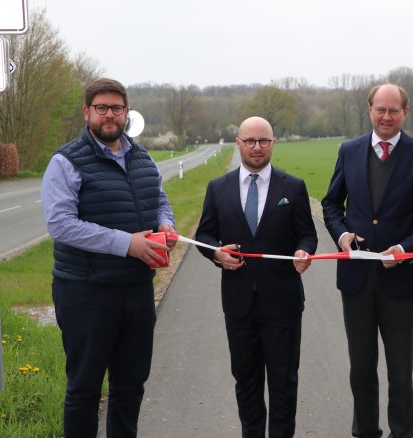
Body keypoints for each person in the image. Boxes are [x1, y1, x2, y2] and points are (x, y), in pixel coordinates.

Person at [42, 77, 176, 438]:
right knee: (85, 390)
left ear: (126, 113)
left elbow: (159, 199)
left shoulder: (143, 157)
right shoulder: (66, 161)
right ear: (87, 112)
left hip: (136, 289)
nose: (109, 115)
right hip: (86, 292)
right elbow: (61, 224)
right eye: (101, 108)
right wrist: (126, 244)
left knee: (130, 386)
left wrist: (166, 223)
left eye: (116, 108)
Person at [321, 83, 413, 438]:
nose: (387, 116)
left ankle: (402, 433)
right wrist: (342, 235)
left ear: (405, 112)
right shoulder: (349, 151)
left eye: (394, 110)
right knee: (361, 369)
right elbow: (331, 204)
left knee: (400, 372)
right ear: (370, 110)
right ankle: (365, 432)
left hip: (400, 282)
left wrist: (407, 248)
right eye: (381, 109)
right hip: (356, 279)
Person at [195, 116, 318, 437]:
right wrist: (216, 253)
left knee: (283, 382)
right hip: (238, 304)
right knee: (246, 381)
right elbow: (204, 234)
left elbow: (307, 235)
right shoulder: (218, 188)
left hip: (283, 304)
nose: (257, 147)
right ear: (238, 143)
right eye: (250, 141)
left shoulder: (292, 187)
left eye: (264, 141)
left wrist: (305, 252)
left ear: (273, 143)